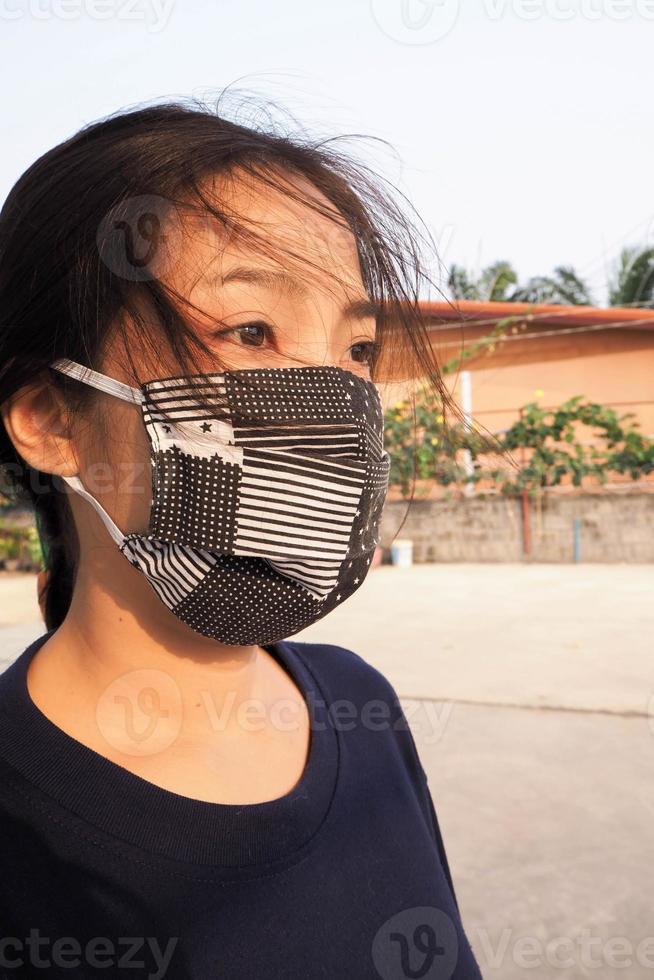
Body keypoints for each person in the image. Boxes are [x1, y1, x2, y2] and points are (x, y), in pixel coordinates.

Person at [0, 97, 483, 979]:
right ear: (50, 422)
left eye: (359, 350)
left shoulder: (356, 702)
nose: (336, 402)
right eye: (252, 330)